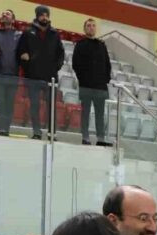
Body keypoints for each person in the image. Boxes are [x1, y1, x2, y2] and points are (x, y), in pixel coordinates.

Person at [17, 5, 64, 140]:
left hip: (51, 78)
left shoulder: (55, 34)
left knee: (51, 107)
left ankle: (51, 133)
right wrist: (28, 65)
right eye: (42, 15)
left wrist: (55, 67)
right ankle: (37, 132)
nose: (44, 17)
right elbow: (21, 51)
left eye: (46, 15)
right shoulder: (28, 32)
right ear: (37, 16)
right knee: (35, 106)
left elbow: (61, 54)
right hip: (33, 76)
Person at [72, 18, 112, 146]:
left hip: (100, 87)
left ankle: (100, 138)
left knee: (100, 115)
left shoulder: (102, 45)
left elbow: (107, 64)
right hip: (86, 86)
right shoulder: (80, 44)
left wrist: (105, 80)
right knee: (85, 113)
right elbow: (75, 64)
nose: (91, 28)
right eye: (88, 26)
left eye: (93, 26)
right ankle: (85, 137)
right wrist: (83, 79)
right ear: (84, 28)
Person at [0, 9, 21, 136]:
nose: (4, 14)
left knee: (9, 104)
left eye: (7, 13)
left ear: (13, 19)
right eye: (2, 13)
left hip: (13, 75)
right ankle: (0, 130)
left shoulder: (19, 36)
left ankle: (6, 130)